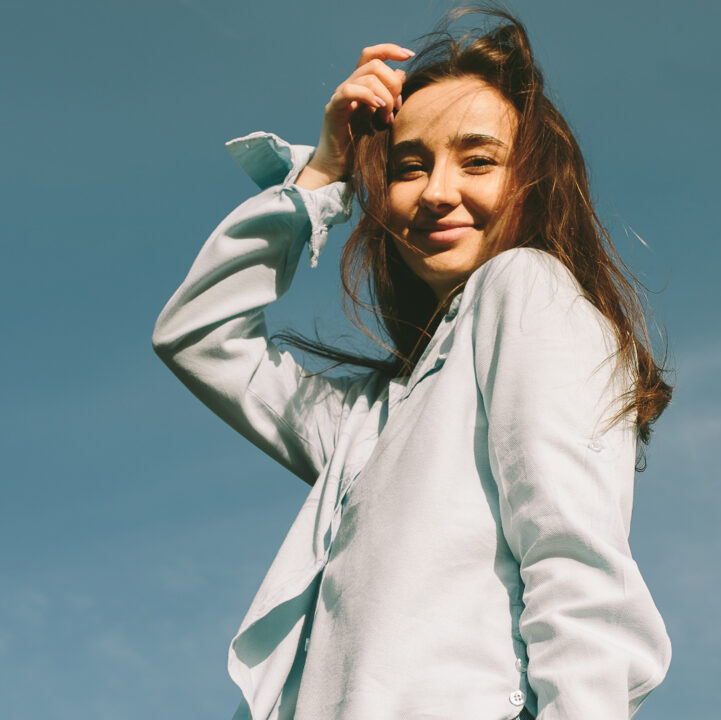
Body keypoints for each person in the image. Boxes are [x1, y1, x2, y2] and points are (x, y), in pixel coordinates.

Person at [153, 9, 672, 720]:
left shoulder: (526, 287)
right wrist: (323, 173)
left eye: (478, 159)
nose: (435, 191)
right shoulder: (368, 417)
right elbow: (197, 335)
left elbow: (577, 569)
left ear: (535, 181)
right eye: (408, 166)